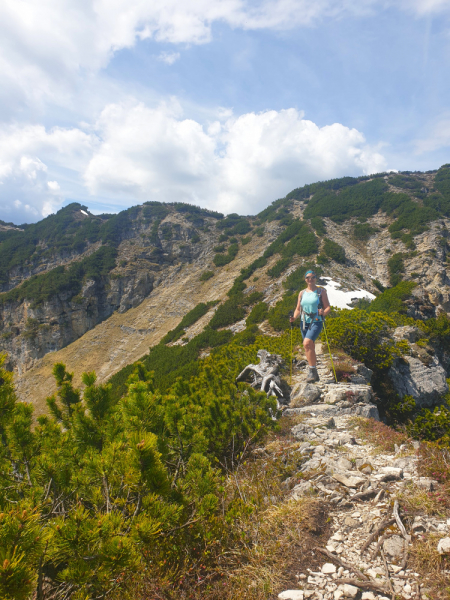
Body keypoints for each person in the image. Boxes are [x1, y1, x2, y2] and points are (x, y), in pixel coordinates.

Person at [289, 269, 331, 383]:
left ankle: (312, 371)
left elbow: (327, 307)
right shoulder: (302, 293)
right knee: (309, 346)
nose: (310, 279)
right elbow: (298, 309)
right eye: (308, 277)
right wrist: (294, 317)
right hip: (304, 321)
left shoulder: (321, 292)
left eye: (312, 277)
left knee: (307, 343)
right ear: (305, 279)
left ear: (315, 278)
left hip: (316, 320)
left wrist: (324, 313)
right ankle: (314, 372)